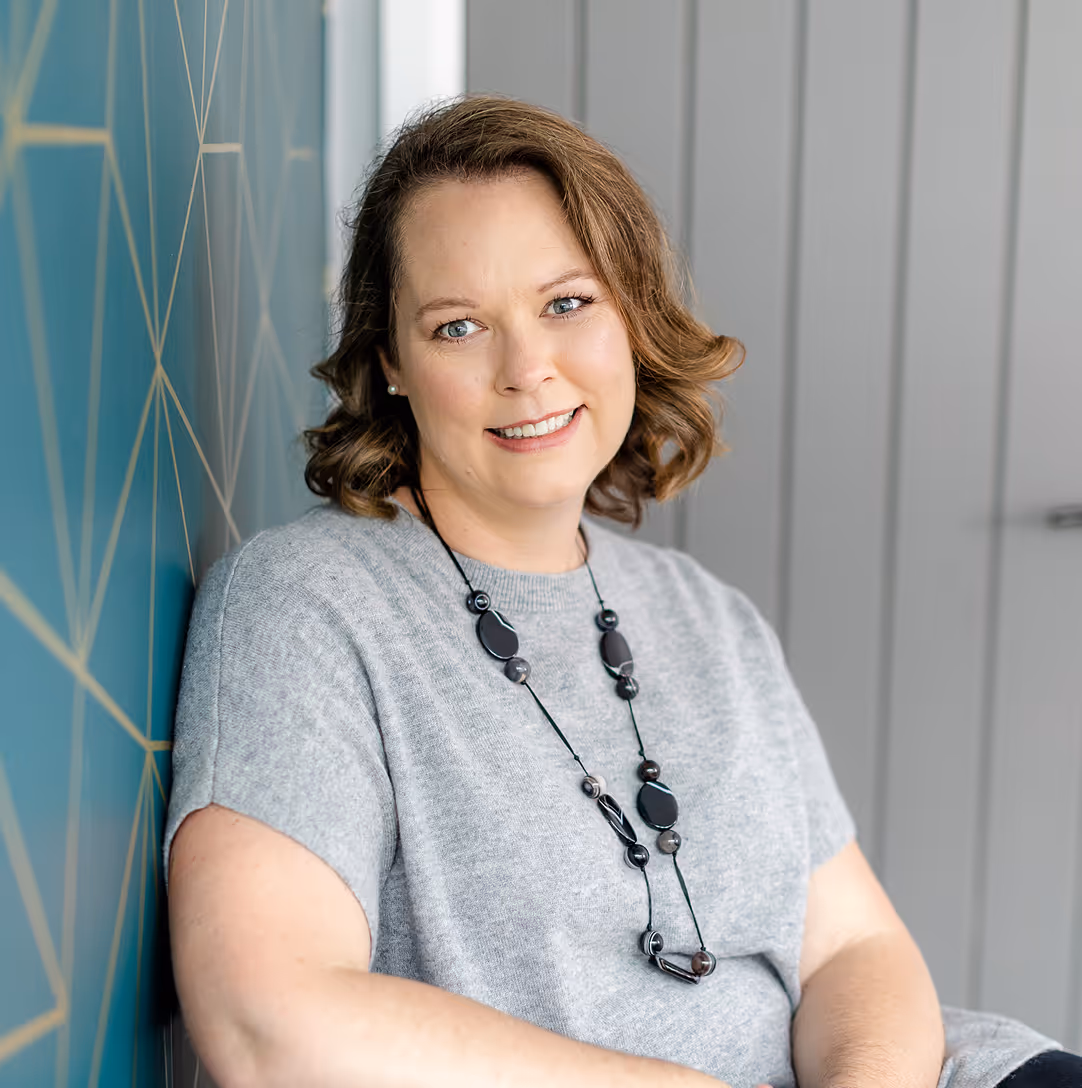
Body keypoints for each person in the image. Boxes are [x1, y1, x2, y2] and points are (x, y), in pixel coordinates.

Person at [164, 96, 1072, 1088]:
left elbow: (852, 949)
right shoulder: (305, 603)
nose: (526, 369)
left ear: (629, 315)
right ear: (391, 363)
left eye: (566, 302)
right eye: (458, 325)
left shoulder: (707, 614)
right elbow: (270, 1019)